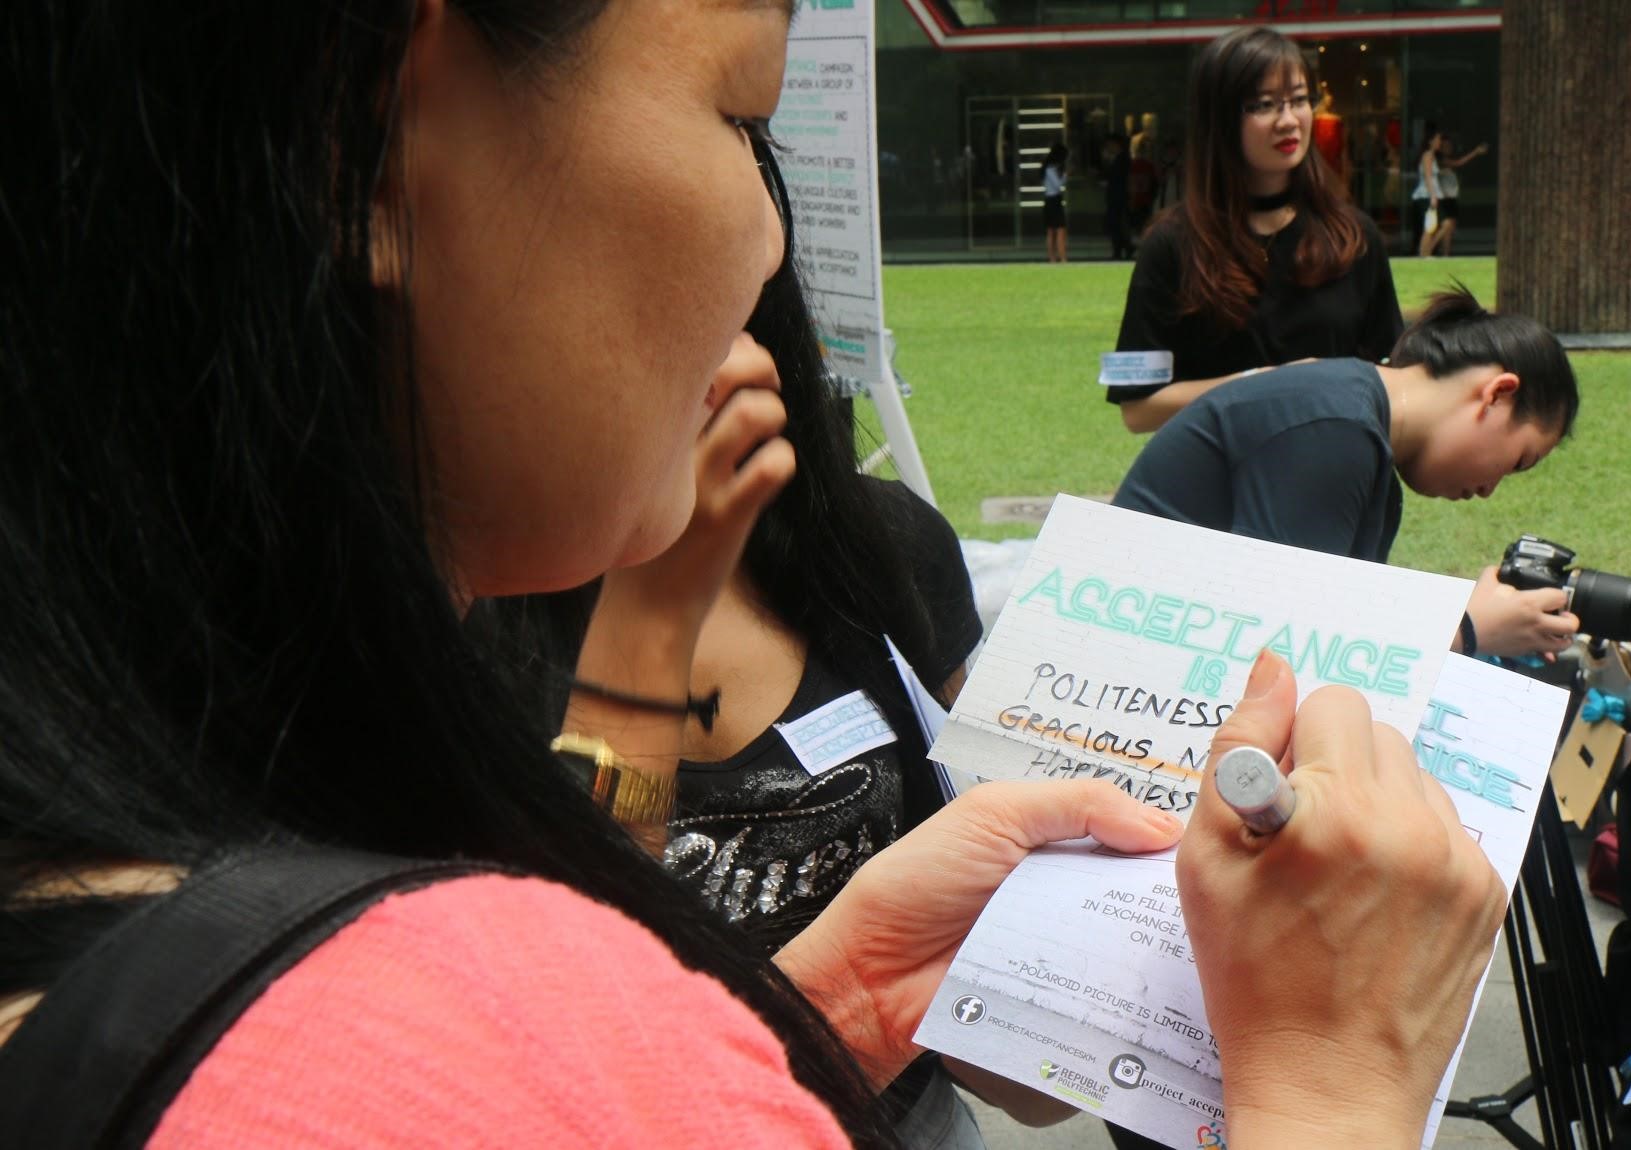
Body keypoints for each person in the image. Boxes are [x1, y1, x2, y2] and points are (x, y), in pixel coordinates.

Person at [2, 2, 1509, 1146]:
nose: (764, 244)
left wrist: (805, 1019)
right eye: (742, 116)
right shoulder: (441, 1036)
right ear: (362, 146)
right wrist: (1335, 1089)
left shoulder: (880, 556)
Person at [561, 251, 1050, 1144]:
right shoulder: (465, 607)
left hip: (907, 1117)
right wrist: (653, 614)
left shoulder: (873, 544)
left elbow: (975, 802)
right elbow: (575, 952)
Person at [1114, 289, 1586, 663]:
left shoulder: (1354, 419)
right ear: (1497, 395)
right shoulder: (1335, 426)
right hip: (1126, 695)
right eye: (1516, 460)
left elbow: (1331, 614)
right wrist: (1468, 628)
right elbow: (1286, 654)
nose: (1488, 490)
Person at [1108, 27, 1403, 435]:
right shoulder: (1173, 246)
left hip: (1334, 481)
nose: (1289, 121)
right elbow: (1138, 408)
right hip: (1219, 486)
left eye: (1299, 100)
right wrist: (1264, 386)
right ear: (1221, 119)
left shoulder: (1353, 237)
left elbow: (1393, 378)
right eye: (1264, 105)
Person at [1413, 128, 1488, 259]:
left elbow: (1458, 162)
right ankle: (1424, 253)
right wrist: (1433, 196)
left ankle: (1426, 252)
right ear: (1430, 141)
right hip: (1426, 196)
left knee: (1441, 224)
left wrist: (1475, 152)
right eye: (1437, 139)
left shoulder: (1435, 157)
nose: (1439, 142)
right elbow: (1428, 176)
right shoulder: (1428, 155)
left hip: (1433, 196)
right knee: (1431, 226)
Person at [1103, 133, 1134, 259]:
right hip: (1116, 196)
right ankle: (1123, 247)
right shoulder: (1117, 158)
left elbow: (1125, 179)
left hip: (1119, 197)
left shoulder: (1123, 159)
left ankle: (1122, 248)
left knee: (1118, 223)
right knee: (1116, 224)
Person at [1042, 141, 1069, 264]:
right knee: (1058, 230)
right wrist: (1064, 175)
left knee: (1053, 230)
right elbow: (1058, 185)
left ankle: (1054, 257)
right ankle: (1059, 257)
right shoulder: (1050, 169)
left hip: (1052, 199)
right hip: (1053, 199)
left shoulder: (1050, 168)